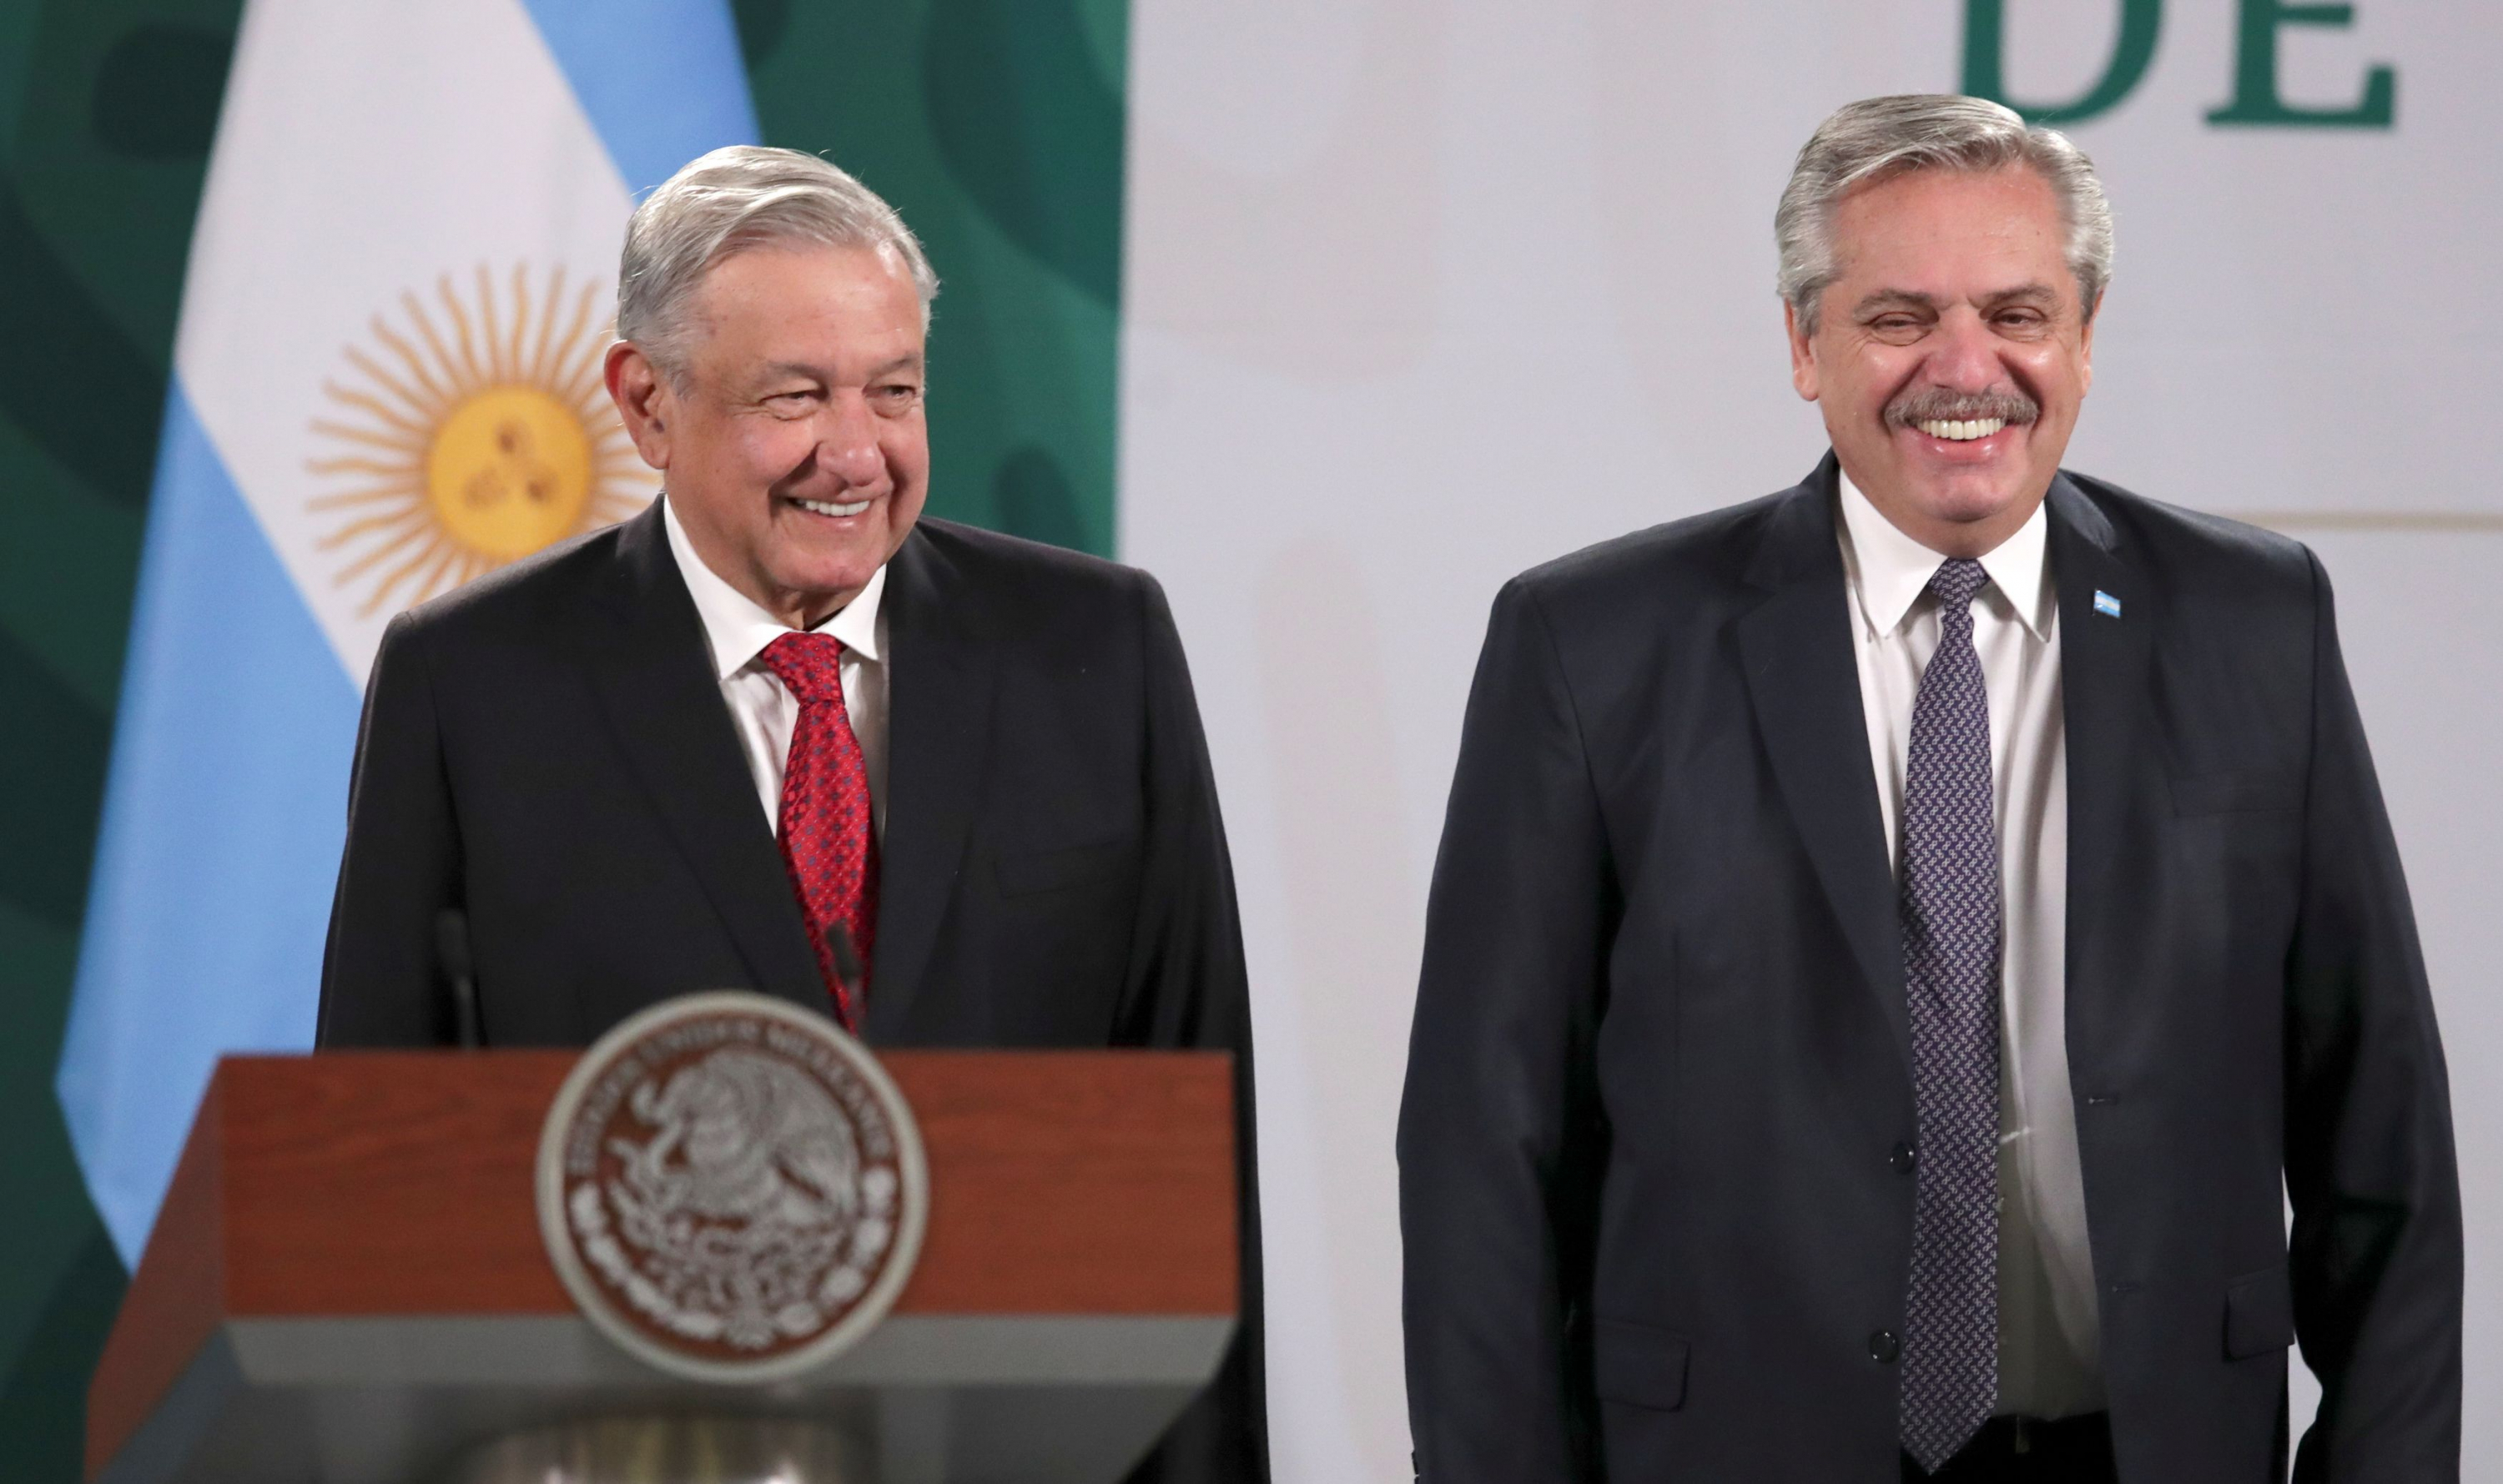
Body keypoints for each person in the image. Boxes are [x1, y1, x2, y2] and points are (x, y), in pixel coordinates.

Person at [1398, 95, 2458, 1483]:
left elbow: (2381, 1136)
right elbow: (1484, 1156)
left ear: (2084, 336)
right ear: (1803, 343)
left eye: (2017, 312)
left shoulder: (2256, 623)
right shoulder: (1591, 646)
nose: (1968, 367)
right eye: (1900, 318)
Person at [317, 146, 1266, 1484]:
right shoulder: (472, 687)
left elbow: (1189, 1133)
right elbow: (381, 1179)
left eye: (894, 391)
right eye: (795, 397)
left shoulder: (1097, 650)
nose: (857, 452)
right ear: (647, 404)